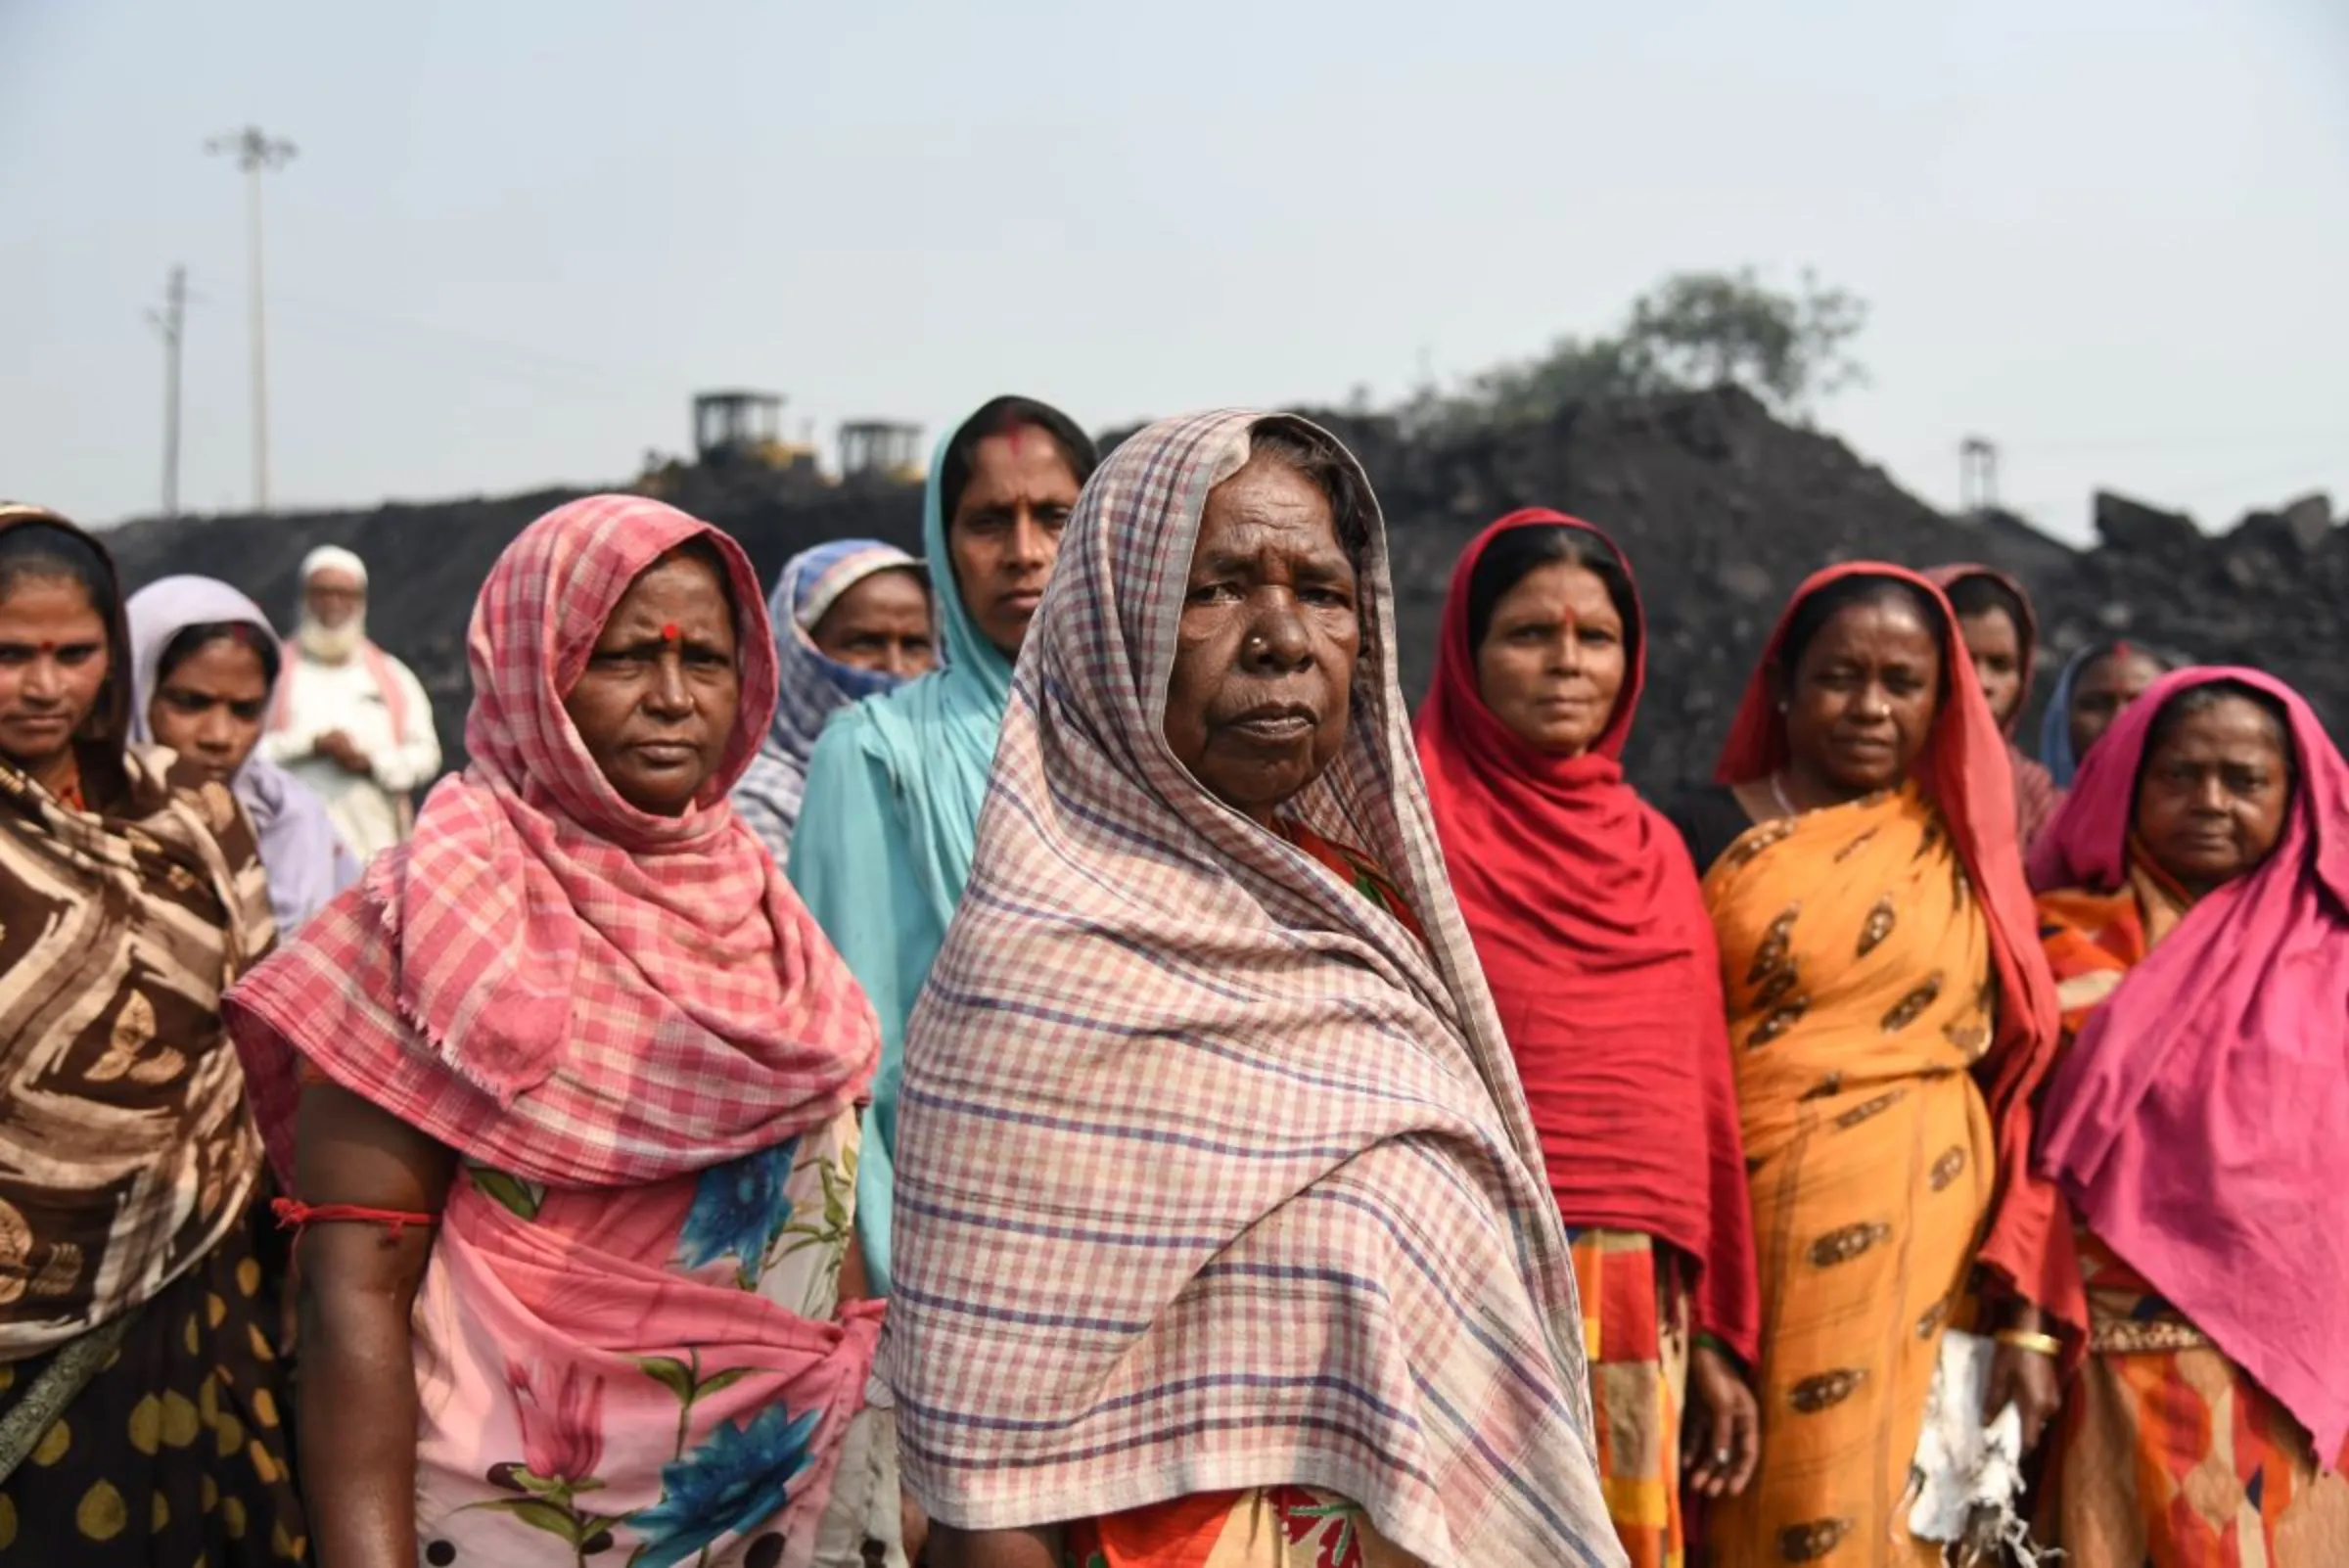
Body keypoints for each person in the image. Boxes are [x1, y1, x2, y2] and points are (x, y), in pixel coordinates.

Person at [889, 412, 1624, 1568]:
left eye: (1323, 592)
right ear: (1109, 625)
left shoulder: (1366, 917)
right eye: (1218, 587)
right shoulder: (1035, 978)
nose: (1284, 639)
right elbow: (990, 1488)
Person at [222, 496, 900, 1568]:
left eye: (709, 663)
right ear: (536, 671)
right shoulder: (424, 922)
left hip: (780, 1501)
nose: (674, 700)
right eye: (626, 657)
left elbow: (829, 1233)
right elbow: (354, 1294)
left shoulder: (770, 918)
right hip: (511, 1518)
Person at [1662, 566, 2064, 1568]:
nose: (1872, 706)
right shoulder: (1695, 831)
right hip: (1757, 1243)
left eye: (1903, 681)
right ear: (1784, 686)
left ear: (1943, 701)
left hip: (1940, 1246)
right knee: (1760, 1497)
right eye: (1841, 676)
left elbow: (2020, 1082)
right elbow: (1668, 1060)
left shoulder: (1970, 854)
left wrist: (2026, 1316)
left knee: (1918, 1510)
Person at [1415, 510, 1759, 1568]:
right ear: (1467, 659)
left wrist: (1711, 1331)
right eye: (1528, 635)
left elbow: (1699, 1100)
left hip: (1629, 1291)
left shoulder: (1654, 847)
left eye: (1595, 638)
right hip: (1454, 1272)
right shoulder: (1410, 821)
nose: (1568, 664)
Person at [0, 505, 303, 1563]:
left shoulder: (188, 811)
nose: (43, 686)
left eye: (72, 654)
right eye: (9, 654)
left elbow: (261, 1024)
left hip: (199, 1253)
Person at [2029, 669, 2349, 1565]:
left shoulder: (2338, 952)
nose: (2211, 802)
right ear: (2129, 780)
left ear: (2296, 795)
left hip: (2309, 1376)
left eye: (2245, 780)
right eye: (2179, 776)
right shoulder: (2053, 938)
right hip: (2107, 1365)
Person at [789, 396, 1097, 1297]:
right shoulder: (880, 754)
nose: (1025, 553)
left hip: (1162, 1236)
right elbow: (848, 1062)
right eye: (987, 522)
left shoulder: (1167, 746)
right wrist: (878, 1284)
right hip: (964, 1251)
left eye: (1056, 517)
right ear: (943, 542)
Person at [127, 576, 359, 935]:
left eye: (246, 710)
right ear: (136, 692)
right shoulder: (77, 817)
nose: (220, 737)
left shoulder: (291, 821)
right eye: (190, 703)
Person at [732, 539, 932, 860]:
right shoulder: (761, 802)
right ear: (797, 650)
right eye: (864, 643)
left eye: (913, 645)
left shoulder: (955, 775)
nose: (895, 668)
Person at [259, 545, 440, 864]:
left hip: (374, 855)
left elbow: (425, 753)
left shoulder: (391, 677)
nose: (333, 603)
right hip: (288, 855)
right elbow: (243, 752)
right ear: (304, 598)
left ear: (360, 602)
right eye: (322, 592)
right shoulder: (269, 675)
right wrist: (308, 745)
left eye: (344, 594)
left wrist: (370, 762)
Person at [1928, 565, 2061, 842]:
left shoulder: (2036, 800)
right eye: (1961, 659)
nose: (1980, 682)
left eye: (2000, 665)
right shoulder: (1863, 776)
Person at [2038, 638, 2183, 788]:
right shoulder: (2024, 808)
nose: (2118, 720)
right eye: (2095, 705)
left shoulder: (2203, 807)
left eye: (2143, 704)